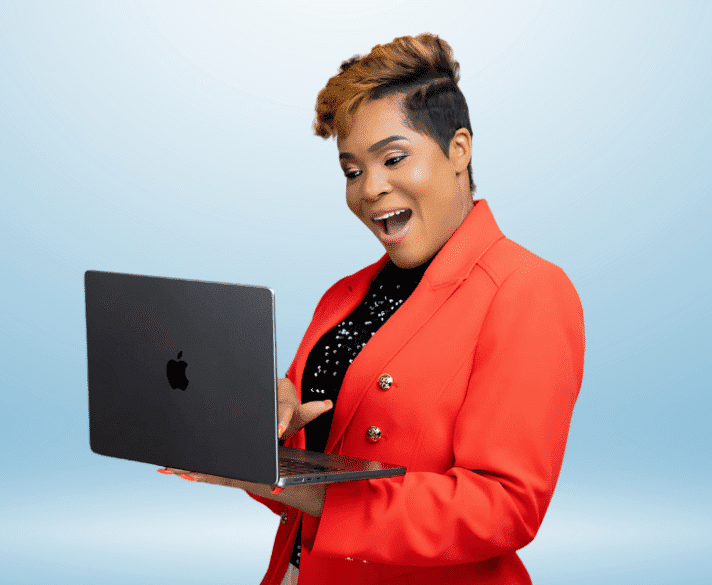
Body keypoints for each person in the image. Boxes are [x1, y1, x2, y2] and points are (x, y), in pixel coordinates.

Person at [163, 33, 585, 585]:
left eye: (393, 158)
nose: (370, 189)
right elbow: (302, 486)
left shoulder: (527, 289)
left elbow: (502, 507)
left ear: (459, 149)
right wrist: (258, 437)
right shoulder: (343, 297)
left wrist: (298, 489)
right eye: (352, 170)